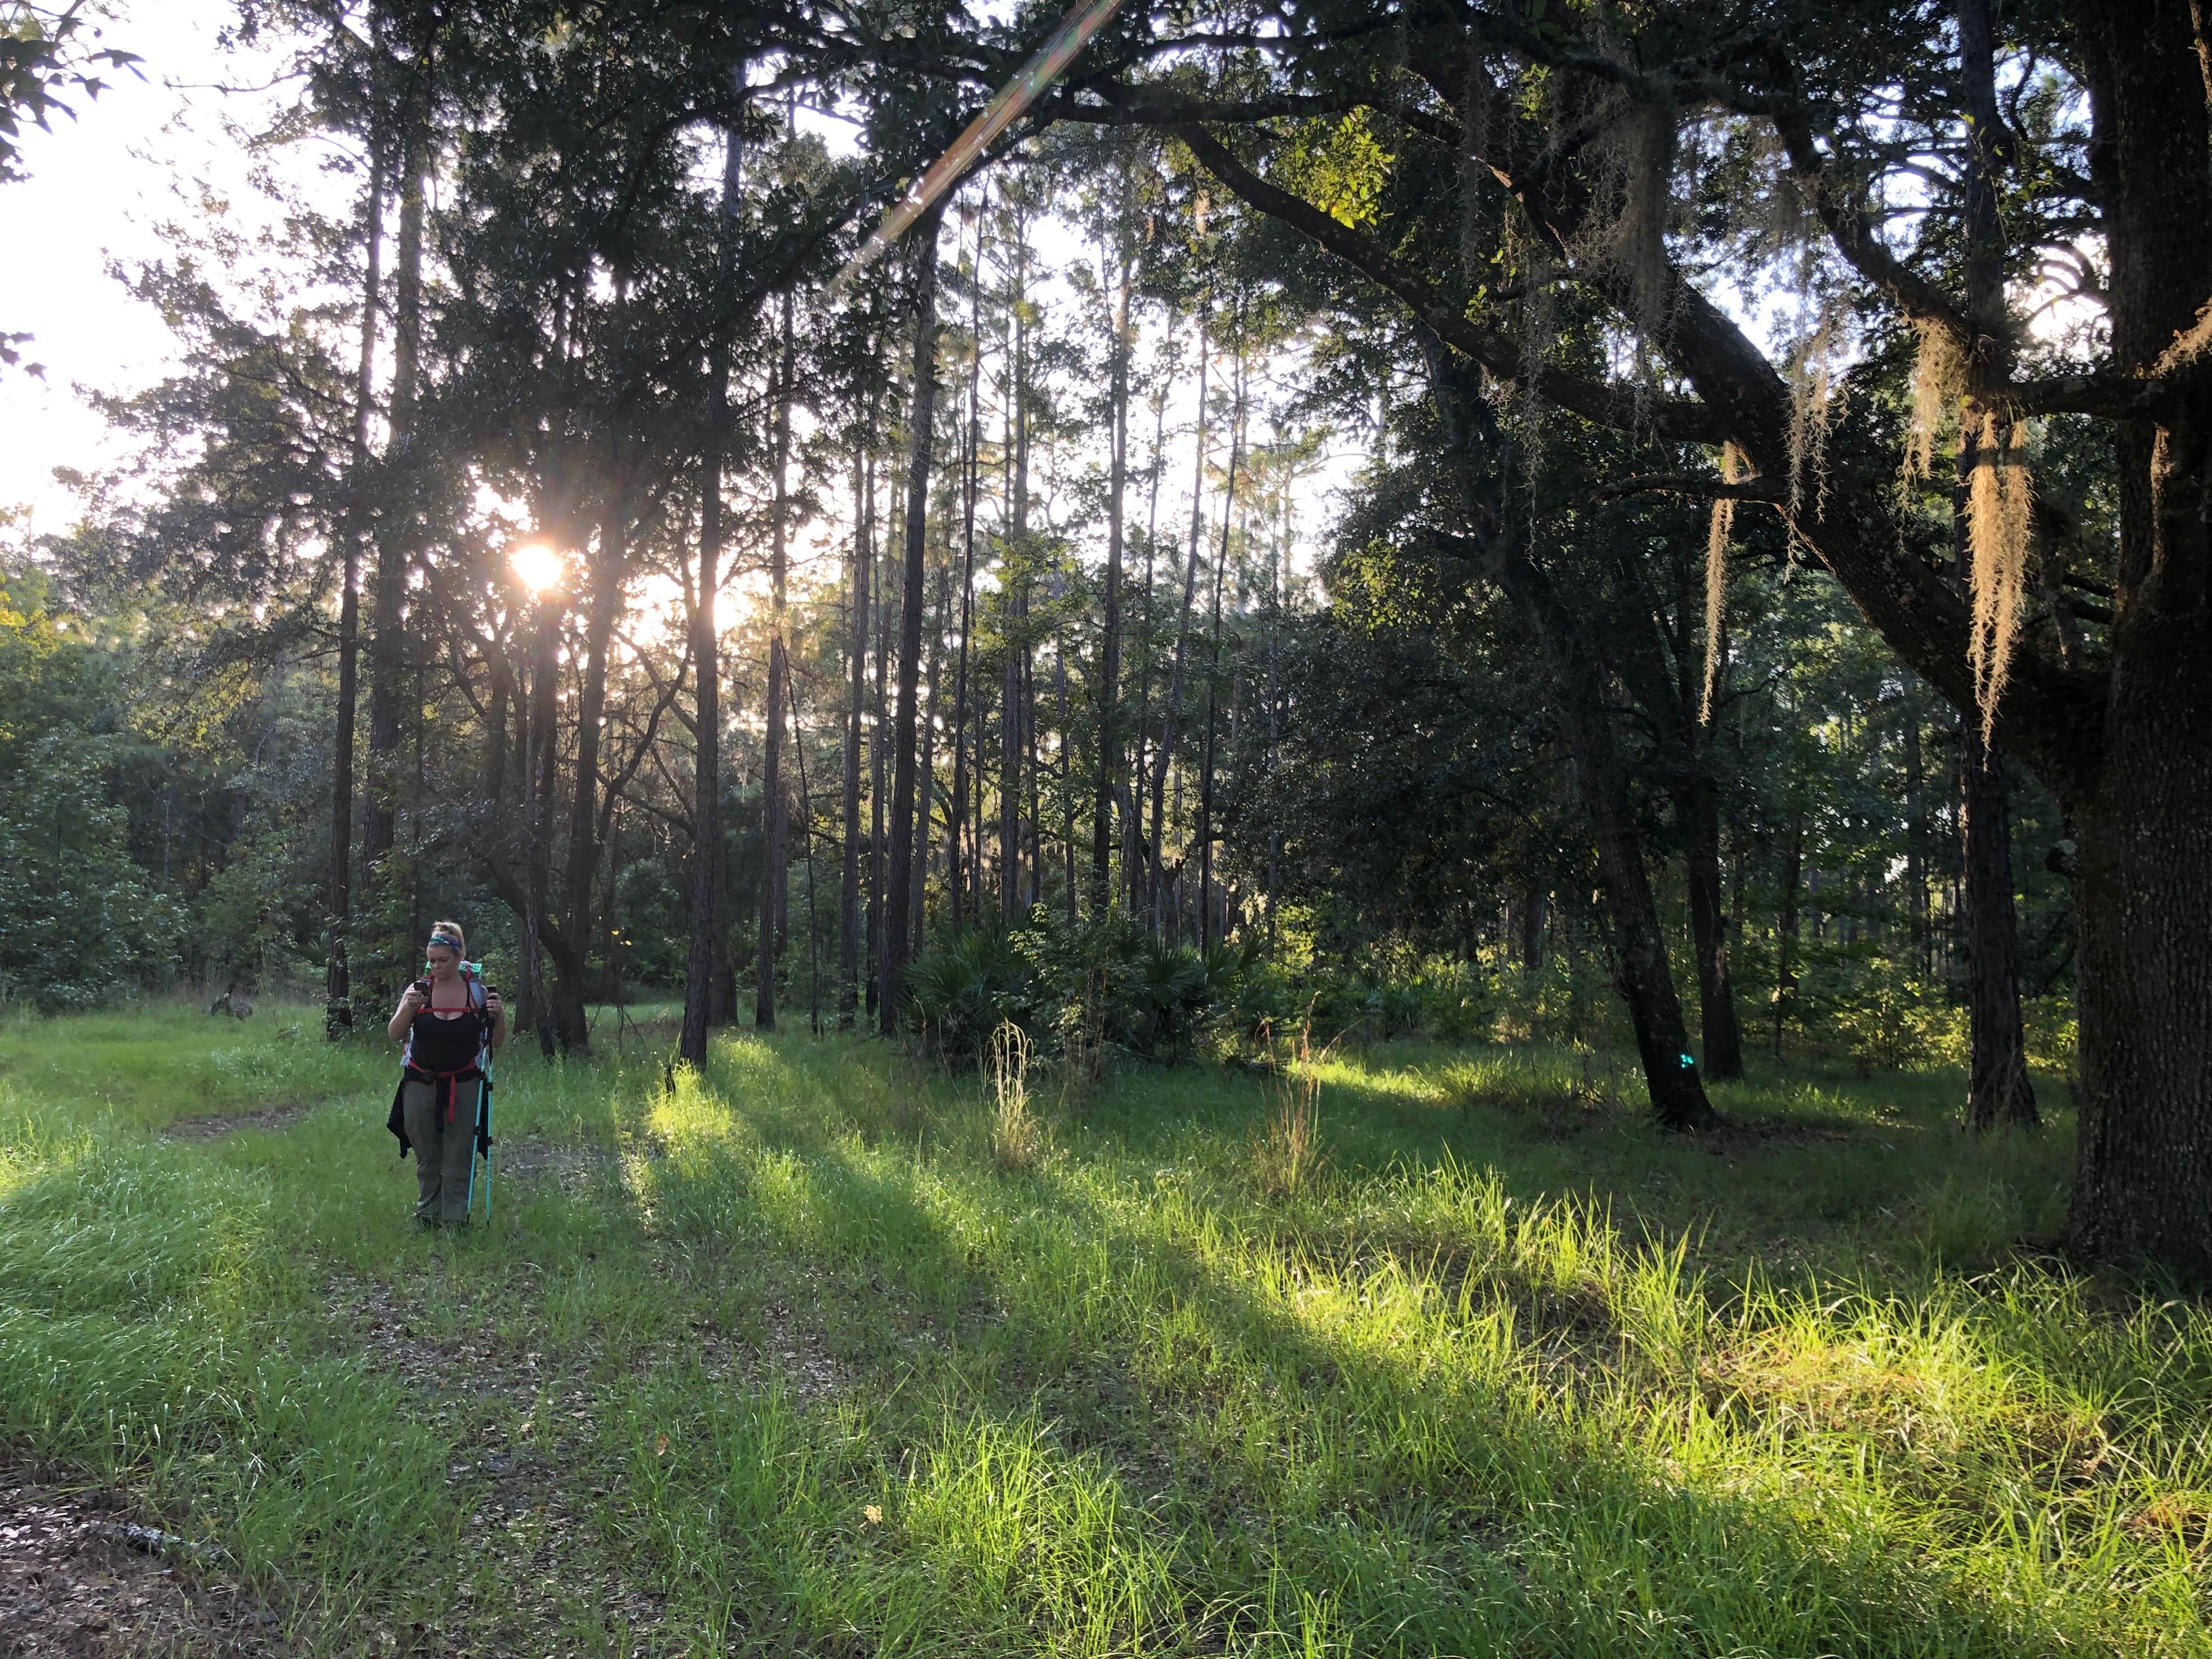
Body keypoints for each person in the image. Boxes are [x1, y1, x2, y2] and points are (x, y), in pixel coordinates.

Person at [386, 921, 505, 1225]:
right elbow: (395, 1034)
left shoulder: (477, 993)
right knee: (426, 1150)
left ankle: (455, 1218)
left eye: (443, 960)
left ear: (459, 955)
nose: (436, 966)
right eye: (432, 960)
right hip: (419, 1079)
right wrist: (408, 1009)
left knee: (459, 1150)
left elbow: (496, 1043)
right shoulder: (418, 990)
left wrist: (499, 1017)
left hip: (465, 1080)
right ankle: (427, 1214)